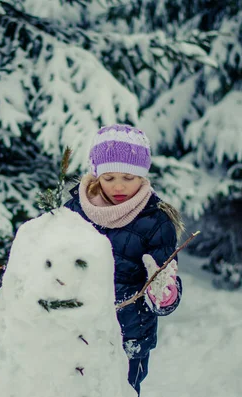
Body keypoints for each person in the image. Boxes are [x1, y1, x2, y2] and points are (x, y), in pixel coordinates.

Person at [64, 123, 184, 396]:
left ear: (142, 175)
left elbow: (165, 293)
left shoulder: (156, 220)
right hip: (77, 333)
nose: (119, 186)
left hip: (129, 337)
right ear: (97, 176)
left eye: (129, 178)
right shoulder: (74, 210)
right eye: (109, 178)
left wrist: (164, 294)